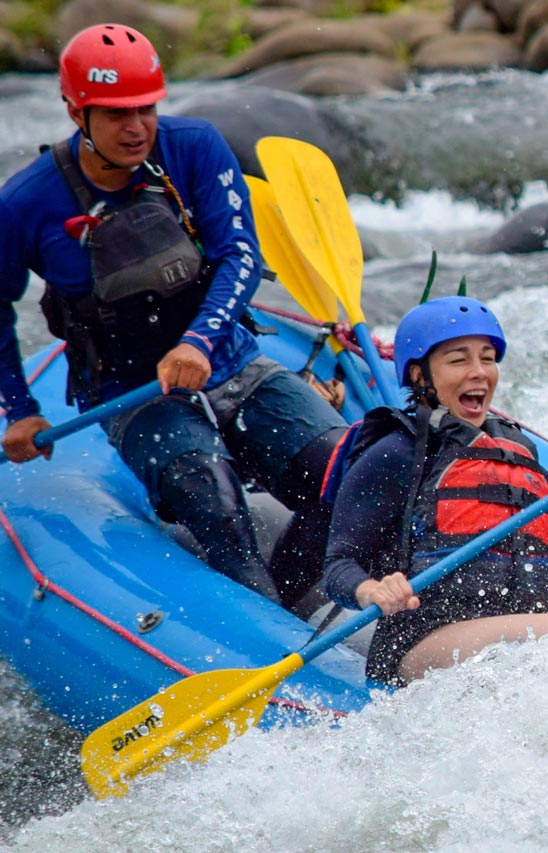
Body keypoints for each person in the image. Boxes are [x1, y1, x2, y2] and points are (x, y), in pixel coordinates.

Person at [0, 24, 347, 605]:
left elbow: (240, 255)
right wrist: (20, 409)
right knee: (212, 497)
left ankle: (284, 606)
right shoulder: (26, 203)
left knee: (347, 480)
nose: (136, 127)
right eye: (115, 114)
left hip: (234, 363)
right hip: (131, 394)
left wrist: (198, 343)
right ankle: (262, 627)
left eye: (146, 108)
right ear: (74, 110)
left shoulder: (193, 146)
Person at [322, 296, 548, 685]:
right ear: (419, 376)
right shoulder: (397, 452)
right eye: (459, 360)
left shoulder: (514, 451)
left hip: (514, 624)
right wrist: (373, 590)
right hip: (424, 639)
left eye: (488, 358)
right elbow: (338, 565)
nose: (479, 372)